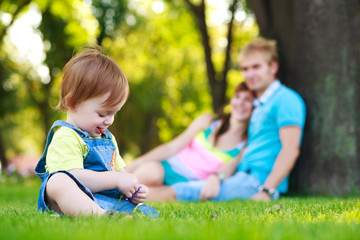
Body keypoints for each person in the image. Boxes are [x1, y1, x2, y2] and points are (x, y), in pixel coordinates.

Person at [146, 37, 306, 202]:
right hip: (241, 176)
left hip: (257, 181)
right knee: (177, 187)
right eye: (245, 69)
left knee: (181, 191)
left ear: (273, 67)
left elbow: (290, 149)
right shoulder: (259, 106)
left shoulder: (286, 99)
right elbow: (244, 154)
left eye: (256, 67)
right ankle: (121, 196)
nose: (249, 74)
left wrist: (266, 190)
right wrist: (217, 177)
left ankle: (120, 199)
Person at [34, 48, 158, 217]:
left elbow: (120, 173)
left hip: (104, 200)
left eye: (114, 113)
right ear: (72, 103)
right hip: (72, 203)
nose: (109, 120)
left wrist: (132, 187)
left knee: (143, 212)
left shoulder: (107, 138)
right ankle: (101, 216)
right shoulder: (66, 136)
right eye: (102, 114)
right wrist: (115, 179)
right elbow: (76, 177)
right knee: (58, 181)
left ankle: (117, 215)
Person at [126, 82, 255, 200]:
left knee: (147, 194)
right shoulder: (208, 121)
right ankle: (115, 188)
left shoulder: (244, 145)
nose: (240, 103)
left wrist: (216, 179)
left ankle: (117, 199)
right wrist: (135, 164)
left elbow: (228, 169)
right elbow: (171, 147)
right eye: (237, 97)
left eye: (248, 99)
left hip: (185, 185)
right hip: (167, 169)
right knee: (152, 173)